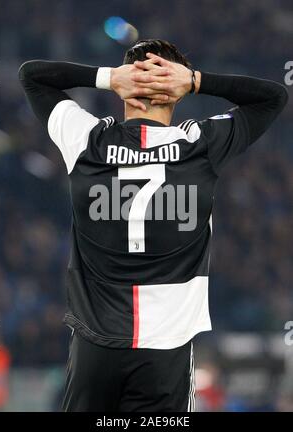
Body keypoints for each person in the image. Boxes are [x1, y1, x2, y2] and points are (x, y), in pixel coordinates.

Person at [18, 39, 288, 412]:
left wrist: (107, 77)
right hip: (167, 351)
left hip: (95, 347)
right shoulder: (199, 144)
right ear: (174, 93)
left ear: (124, 88)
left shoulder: (87, 140)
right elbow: (272, 97)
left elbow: (31, 77)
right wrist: (195, 81)